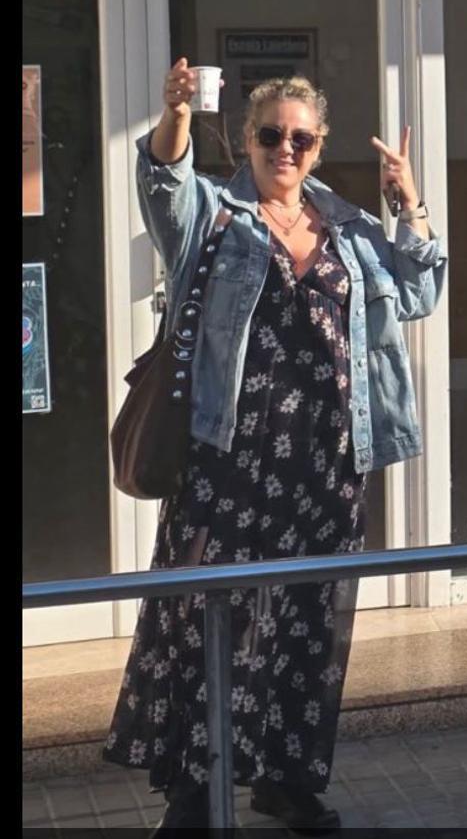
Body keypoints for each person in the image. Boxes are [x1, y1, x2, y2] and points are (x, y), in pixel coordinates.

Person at [103, 60, 446, 832]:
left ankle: (286, 781)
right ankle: (195, 789)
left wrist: (409, 202)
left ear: (319, 147)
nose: (284, 149)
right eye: (270, 135)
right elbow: (161, 185)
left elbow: (421, 291)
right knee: (206, 621)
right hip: (227, 462)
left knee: (306, 624)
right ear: (247, 142)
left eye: (300, 138)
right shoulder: (214, 217)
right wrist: (177, 115)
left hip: (325, 465)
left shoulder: (350, 226)